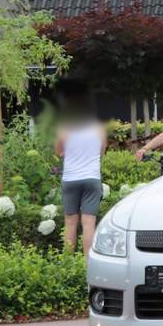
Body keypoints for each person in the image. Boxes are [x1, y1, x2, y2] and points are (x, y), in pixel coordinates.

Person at [55, 90, 106, 254]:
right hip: (92, 178)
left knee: (70, 222)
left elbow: (59, 151)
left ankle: (68, 264)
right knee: (89, 222)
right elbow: (102, 151)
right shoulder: (99, 129)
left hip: (70, 179)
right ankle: (86, 265)